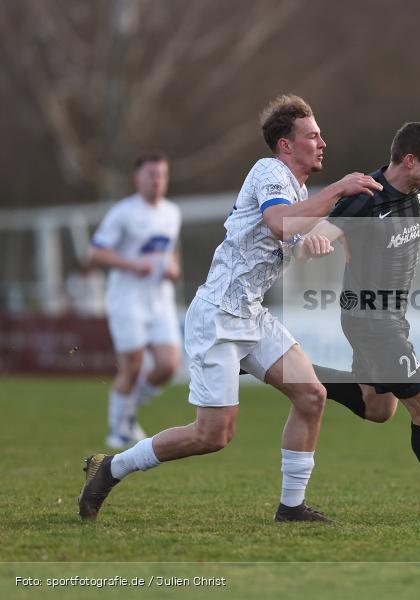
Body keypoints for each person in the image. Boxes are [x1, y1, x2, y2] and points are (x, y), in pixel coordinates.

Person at [78, 94, 382, 522]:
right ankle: (110, 468)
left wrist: (312, 245)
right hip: (218, 315)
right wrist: (338, 191)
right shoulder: (268, 171)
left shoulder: (297, 190)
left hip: (252, 316)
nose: (322, 142)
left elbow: (289, 241)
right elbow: (279, 223)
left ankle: (291, 507)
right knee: (212, 435)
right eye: (312, 136)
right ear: (285, 145)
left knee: (312, 395)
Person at [299, 120, 420, 520]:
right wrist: (313, 243)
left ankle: (282, 369)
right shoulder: (365, 199)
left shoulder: (417, 189)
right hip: (371, 320)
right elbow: (318, 237)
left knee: (378, 410)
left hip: (390, 317)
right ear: (410, 160)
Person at [87, 152, 182, 449]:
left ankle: (128, 412)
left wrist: (174, 268)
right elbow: (96, 252)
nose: (157, 181)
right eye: (151, 174)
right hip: (127, 299)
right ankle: (117, 429)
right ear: (137, 178)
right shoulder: (123, 213)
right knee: (133, 364)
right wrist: (133, 265)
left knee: (168, 365)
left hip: (160, 300)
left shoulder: (172, 212)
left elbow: (171, 251)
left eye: (162, 175)